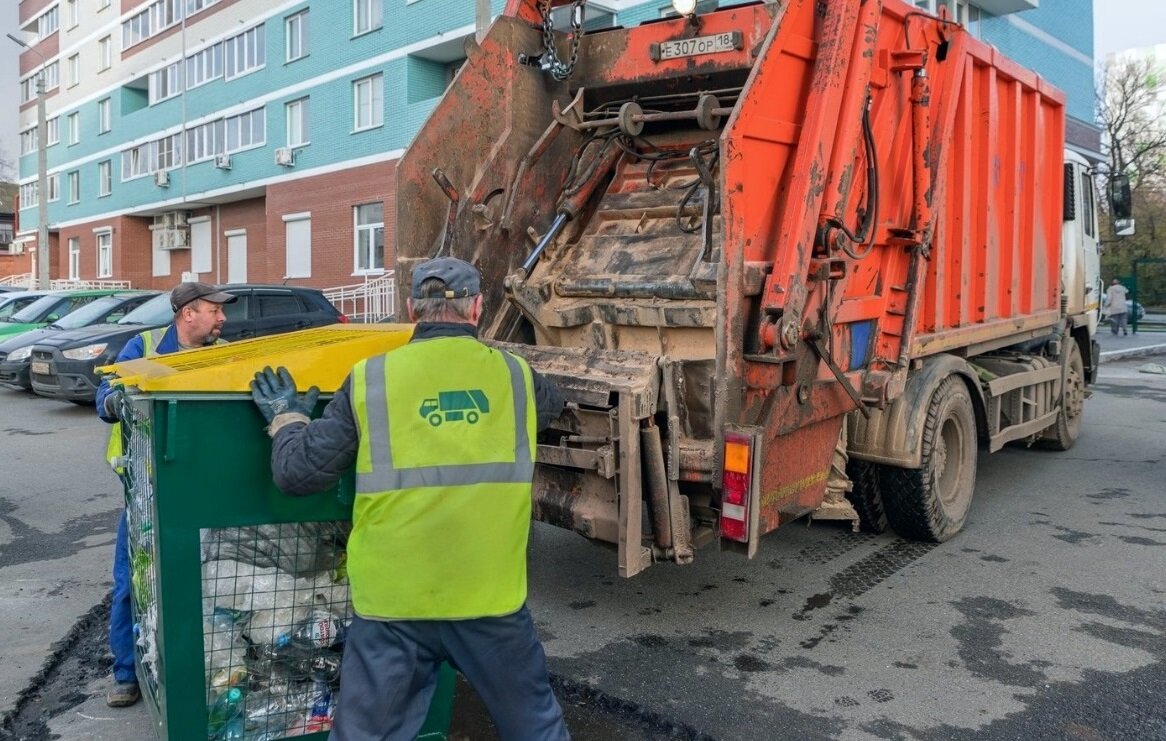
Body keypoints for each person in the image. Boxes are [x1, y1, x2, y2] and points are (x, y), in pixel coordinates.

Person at [249, 256, 569, 740]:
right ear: (478, 308)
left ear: (410, 309)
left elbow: (297, 474)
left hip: (393, 604)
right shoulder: (517, 379)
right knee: (534, 728)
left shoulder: (370, 380)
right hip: (489, 596)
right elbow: (556, 405)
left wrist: (286, 419)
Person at [96, 281, 238, 707]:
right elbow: (104, 397)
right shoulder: (142, 346)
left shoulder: (223, 349)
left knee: (205, 576)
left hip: (199, 482)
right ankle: (125, 674)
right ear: (188, 313)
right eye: (215, 310)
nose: (223, 318)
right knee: (131, 578)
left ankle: (195, 665)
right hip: (146, 486)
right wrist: (121, 402)